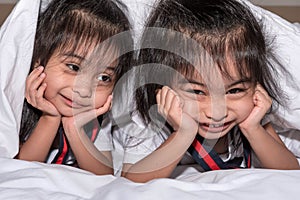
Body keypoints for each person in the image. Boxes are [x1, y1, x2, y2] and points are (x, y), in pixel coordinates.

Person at [114, 0, 300, 182]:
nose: (217, 112)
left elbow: (291, 172)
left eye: (234, 90)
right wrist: (182, 134)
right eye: (198, 92)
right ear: (163, 85)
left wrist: (253, 128)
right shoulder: (152, 124)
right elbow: (132, 181)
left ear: (255, 88)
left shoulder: (251, 117)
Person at [15, 0, 133, 175]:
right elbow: (20, 169)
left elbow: (104, 176)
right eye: (74, 67)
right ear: (38, 62)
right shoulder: (17, 106)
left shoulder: (95, 121)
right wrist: (50, 118)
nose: (83, 90)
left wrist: (75, 129)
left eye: (103, 77)